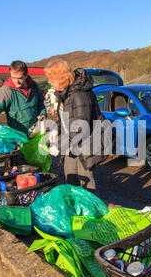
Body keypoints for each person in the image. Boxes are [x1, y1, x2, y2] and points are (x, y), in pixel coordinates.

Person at [44, 59, 107, 192]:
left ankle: (90, 210)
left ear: (62, 78)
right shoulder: (66, 94)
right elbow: (66, 118)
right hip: (71, 144)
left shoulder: (80, 95)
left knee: (86, 181)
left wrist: (59, 146)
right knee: (70, 178)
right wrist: (56, 129)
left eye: (52, 79)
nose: (49, 82)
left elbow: (80, 128)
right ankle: (77, 208)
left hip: (86, 144)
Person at [0, 60, 46, 136]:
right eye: (13, 78)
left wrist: (43, 114)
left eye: (19, 78)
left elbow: (41, 103)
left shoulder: (34, 87)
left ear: (26, 76)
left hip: (35, 132)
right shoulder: (6, 91)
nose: (16, 81)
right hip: (17, 135)